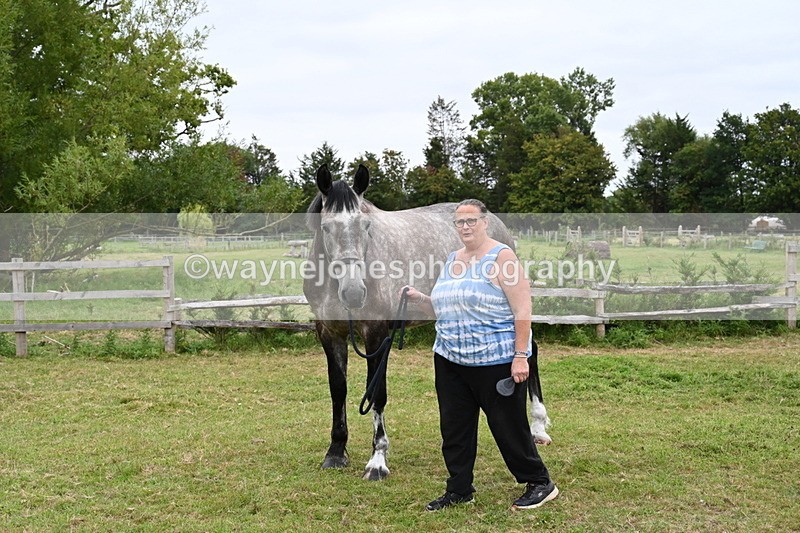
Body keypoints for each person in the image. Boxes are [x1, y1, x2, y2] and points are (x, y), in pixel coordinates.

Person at [405, 199, 558, 511]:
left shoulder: (502, 257)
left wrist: (520, 355)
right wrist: (419, 297)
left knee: (507, 426)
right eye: (460, 222)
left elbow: (522, 309)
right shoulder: (453, 259)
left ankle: (540, 482)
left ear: (485, 222)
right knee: (454, 427)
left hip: (495, 360)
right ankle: (459, 489)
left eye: (471, 221)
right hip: (450, 359)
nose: (465, 227)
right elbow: (442, 307)